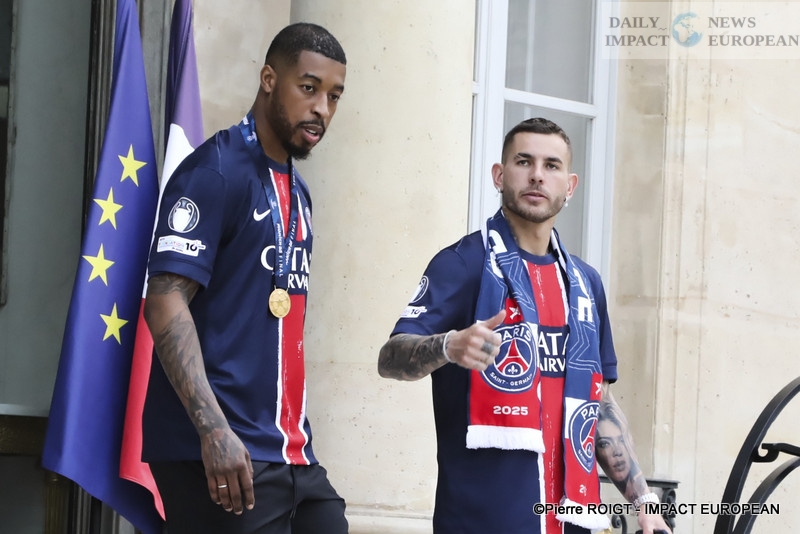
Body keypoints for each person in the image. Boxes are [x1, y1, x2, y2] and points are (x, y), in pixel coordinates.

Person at [378, 118, 672, 534]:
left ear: (570, 186)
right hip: (482, 522)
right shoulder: (463, 264)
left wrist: (643, 500)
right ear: (500, 175)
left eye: (552, 165)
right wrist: (447, 346)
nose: (537, 174)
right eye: (524, 161)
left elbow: (598, 404)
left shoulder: (586, 285)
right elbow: (390, 357)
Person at [141, 23, 348, 534]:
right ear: (269, 79)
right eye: (309, 87)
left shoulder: (299, 195)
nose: (322, 108)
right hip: (217, 450)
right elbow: (164, 301)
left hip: (290, 452)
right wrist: (214, 431)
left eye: (334, 96)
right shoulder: (214, 172)